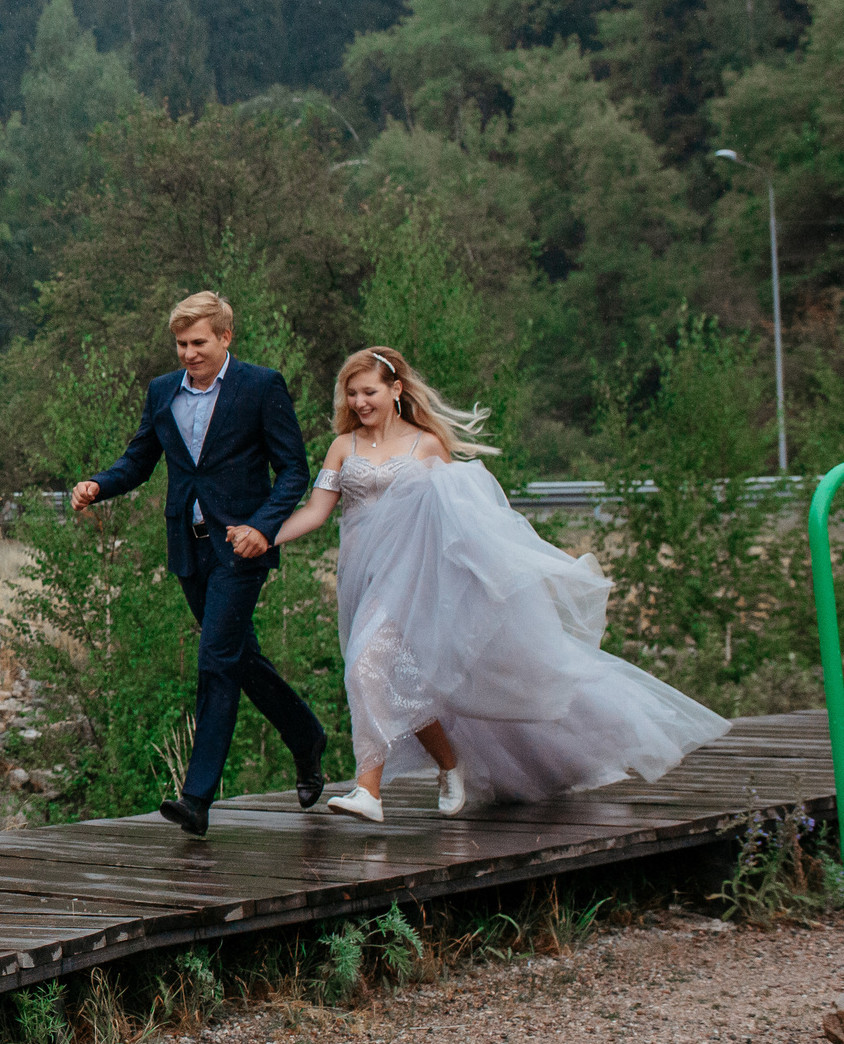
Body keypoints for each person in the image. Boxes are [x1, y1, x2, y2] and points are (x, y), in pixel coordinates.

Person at [265, 345, 728, 820]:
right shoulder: (345, 447)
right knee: (393, 676)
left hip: (414, 576)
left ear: (396, 390)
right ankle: (450, 764)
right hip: (362, 575)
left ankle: (369, 789)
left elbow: (461, 517)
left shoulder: (425, 445)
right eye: (352, 393)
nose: (360, 402)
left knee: (364, 667)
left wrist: (484, 577)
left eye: (370, 392)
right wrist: (264, 535)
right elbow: (317, 512)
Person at [71, 291, 330, 839]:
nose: (188, 353)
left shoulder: (261, 386)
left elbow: (292, 471)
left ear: (225, 337)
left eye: (198, 342)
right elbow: (140, 459)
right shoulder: (163, 392)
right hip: (188, 546)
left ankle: (197, 798)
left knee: (215, 659)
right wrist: (100, 484)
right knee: (239, 658)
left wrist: (263, 527)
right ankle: (306, 736)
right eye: (181, 344)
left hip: (241, 545)